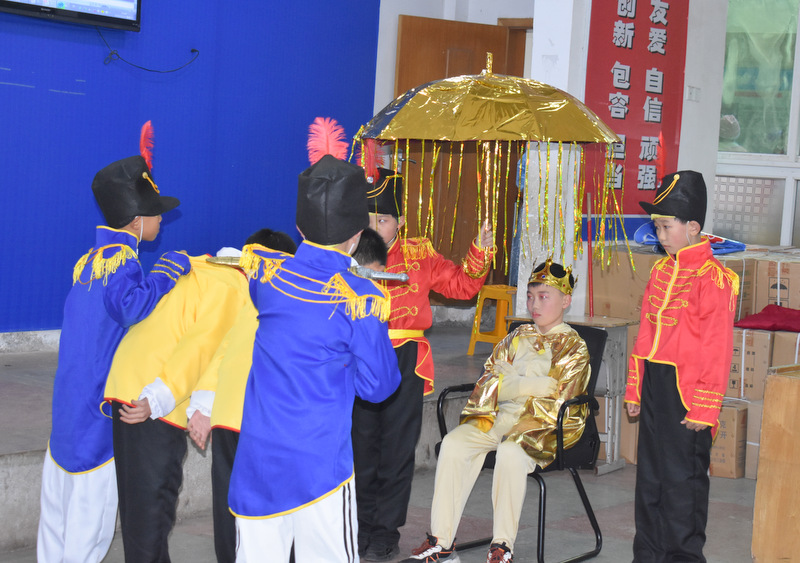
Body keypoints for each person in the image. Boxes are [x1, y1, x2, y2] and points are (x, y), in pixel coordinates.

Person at [228, 155, 402, 562]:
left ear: (301, 228)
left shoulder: (266, 274)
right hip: (319, 468)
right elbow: (379, 386)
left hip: (258, 461)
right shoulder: (360, 297)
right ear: (358, 236)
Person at [36, 152, 191, 563]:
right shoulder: (123, 262)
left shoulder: (88, 263)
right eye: (156, 212)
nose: (161, 219)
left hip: (69, 409)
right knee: (89, 525)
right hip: (96, 414)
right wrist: (167, 272)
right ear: (136, 220)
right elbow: (129, 306)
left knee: (56, 520)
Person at [403, 259, 590, 563]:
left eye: (544, 297)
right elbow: (488, 381)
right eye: (530, 296)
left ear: (565, 301)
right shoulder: (517, 336)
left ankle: (502, 545)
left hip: (539, 427)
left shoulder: (574, 347)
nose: (534, 305)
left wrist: (511, 382)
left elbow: (559, 400)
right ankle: (442, 541)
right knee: (454, 444)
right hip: (499, 418)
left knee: (510, 453)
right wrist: (530, 384)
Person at [353, 167, 495, 561]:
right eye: (367, 219)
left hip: (405, 360)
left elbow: (463, 286)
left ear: (400, 222)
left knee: (396, 450)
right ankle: (359, 527)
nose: (374, 227)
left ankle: (385, 532)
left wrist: (480, 251)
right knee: (360, 446)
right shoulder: (347, 253)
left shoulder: (419, 254)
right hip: (361, 357)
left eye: (382, 220)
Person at [104, 245, 251, 562]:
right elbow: (202, 346)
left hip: (126, 382)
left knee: (137, 510)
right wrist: (158, 398)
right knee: (152, 511)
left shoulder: (203, 268)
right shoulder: (234, 285)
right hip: (151, 396)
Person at [625, 171, 738, 562]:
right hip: (655, 383)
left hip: (687, 390)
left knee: (682, 484)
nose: (660, 235)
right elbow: (645, 335)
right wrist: (635, 388)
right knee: (650, 478)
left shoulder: (715, 279)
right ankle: (648, 555)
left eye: (666, 226)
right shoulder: (660, 271)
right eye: (656, 227)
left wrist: (705, 406)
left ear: (692, 227)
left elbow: (717, 348)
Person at [184, 229, 297, 563]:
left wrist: (202, 407)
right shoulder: (294, 302)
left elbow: (222, 351)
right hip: (267, 423)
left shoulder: (249, 299)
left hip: (230, 416)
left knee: (230, 508)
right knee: (271, 513)